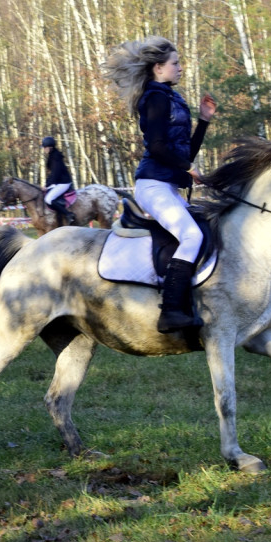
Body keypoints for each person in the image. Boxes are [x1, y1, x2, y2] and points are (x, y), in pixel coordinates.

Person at [101, 36, 216, 333]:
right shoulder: (155, 98)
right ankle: (171, 312)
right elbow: (158, 146)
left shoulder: (171, 97)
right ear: (158, 68)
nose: (180, 68)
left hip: (168, 185)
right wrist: (188, 168)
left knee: (202, 229)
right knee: (191, 236)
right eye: (175, 63)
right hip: (153, 185)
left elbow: (183, 153)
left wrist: (203, 121)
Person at [42, 136, 73, 217]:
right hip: (58, 182)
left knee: (48, 199)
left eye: (45, 147)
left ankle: (68, 215)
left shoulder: (56, 157)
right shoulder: (52, 155)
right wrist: (46, 184)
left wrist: (47, 185)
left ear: (50, 147)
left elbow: (55, 174)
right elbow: (52, 174)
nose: (44, 149)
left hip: (63, 183)